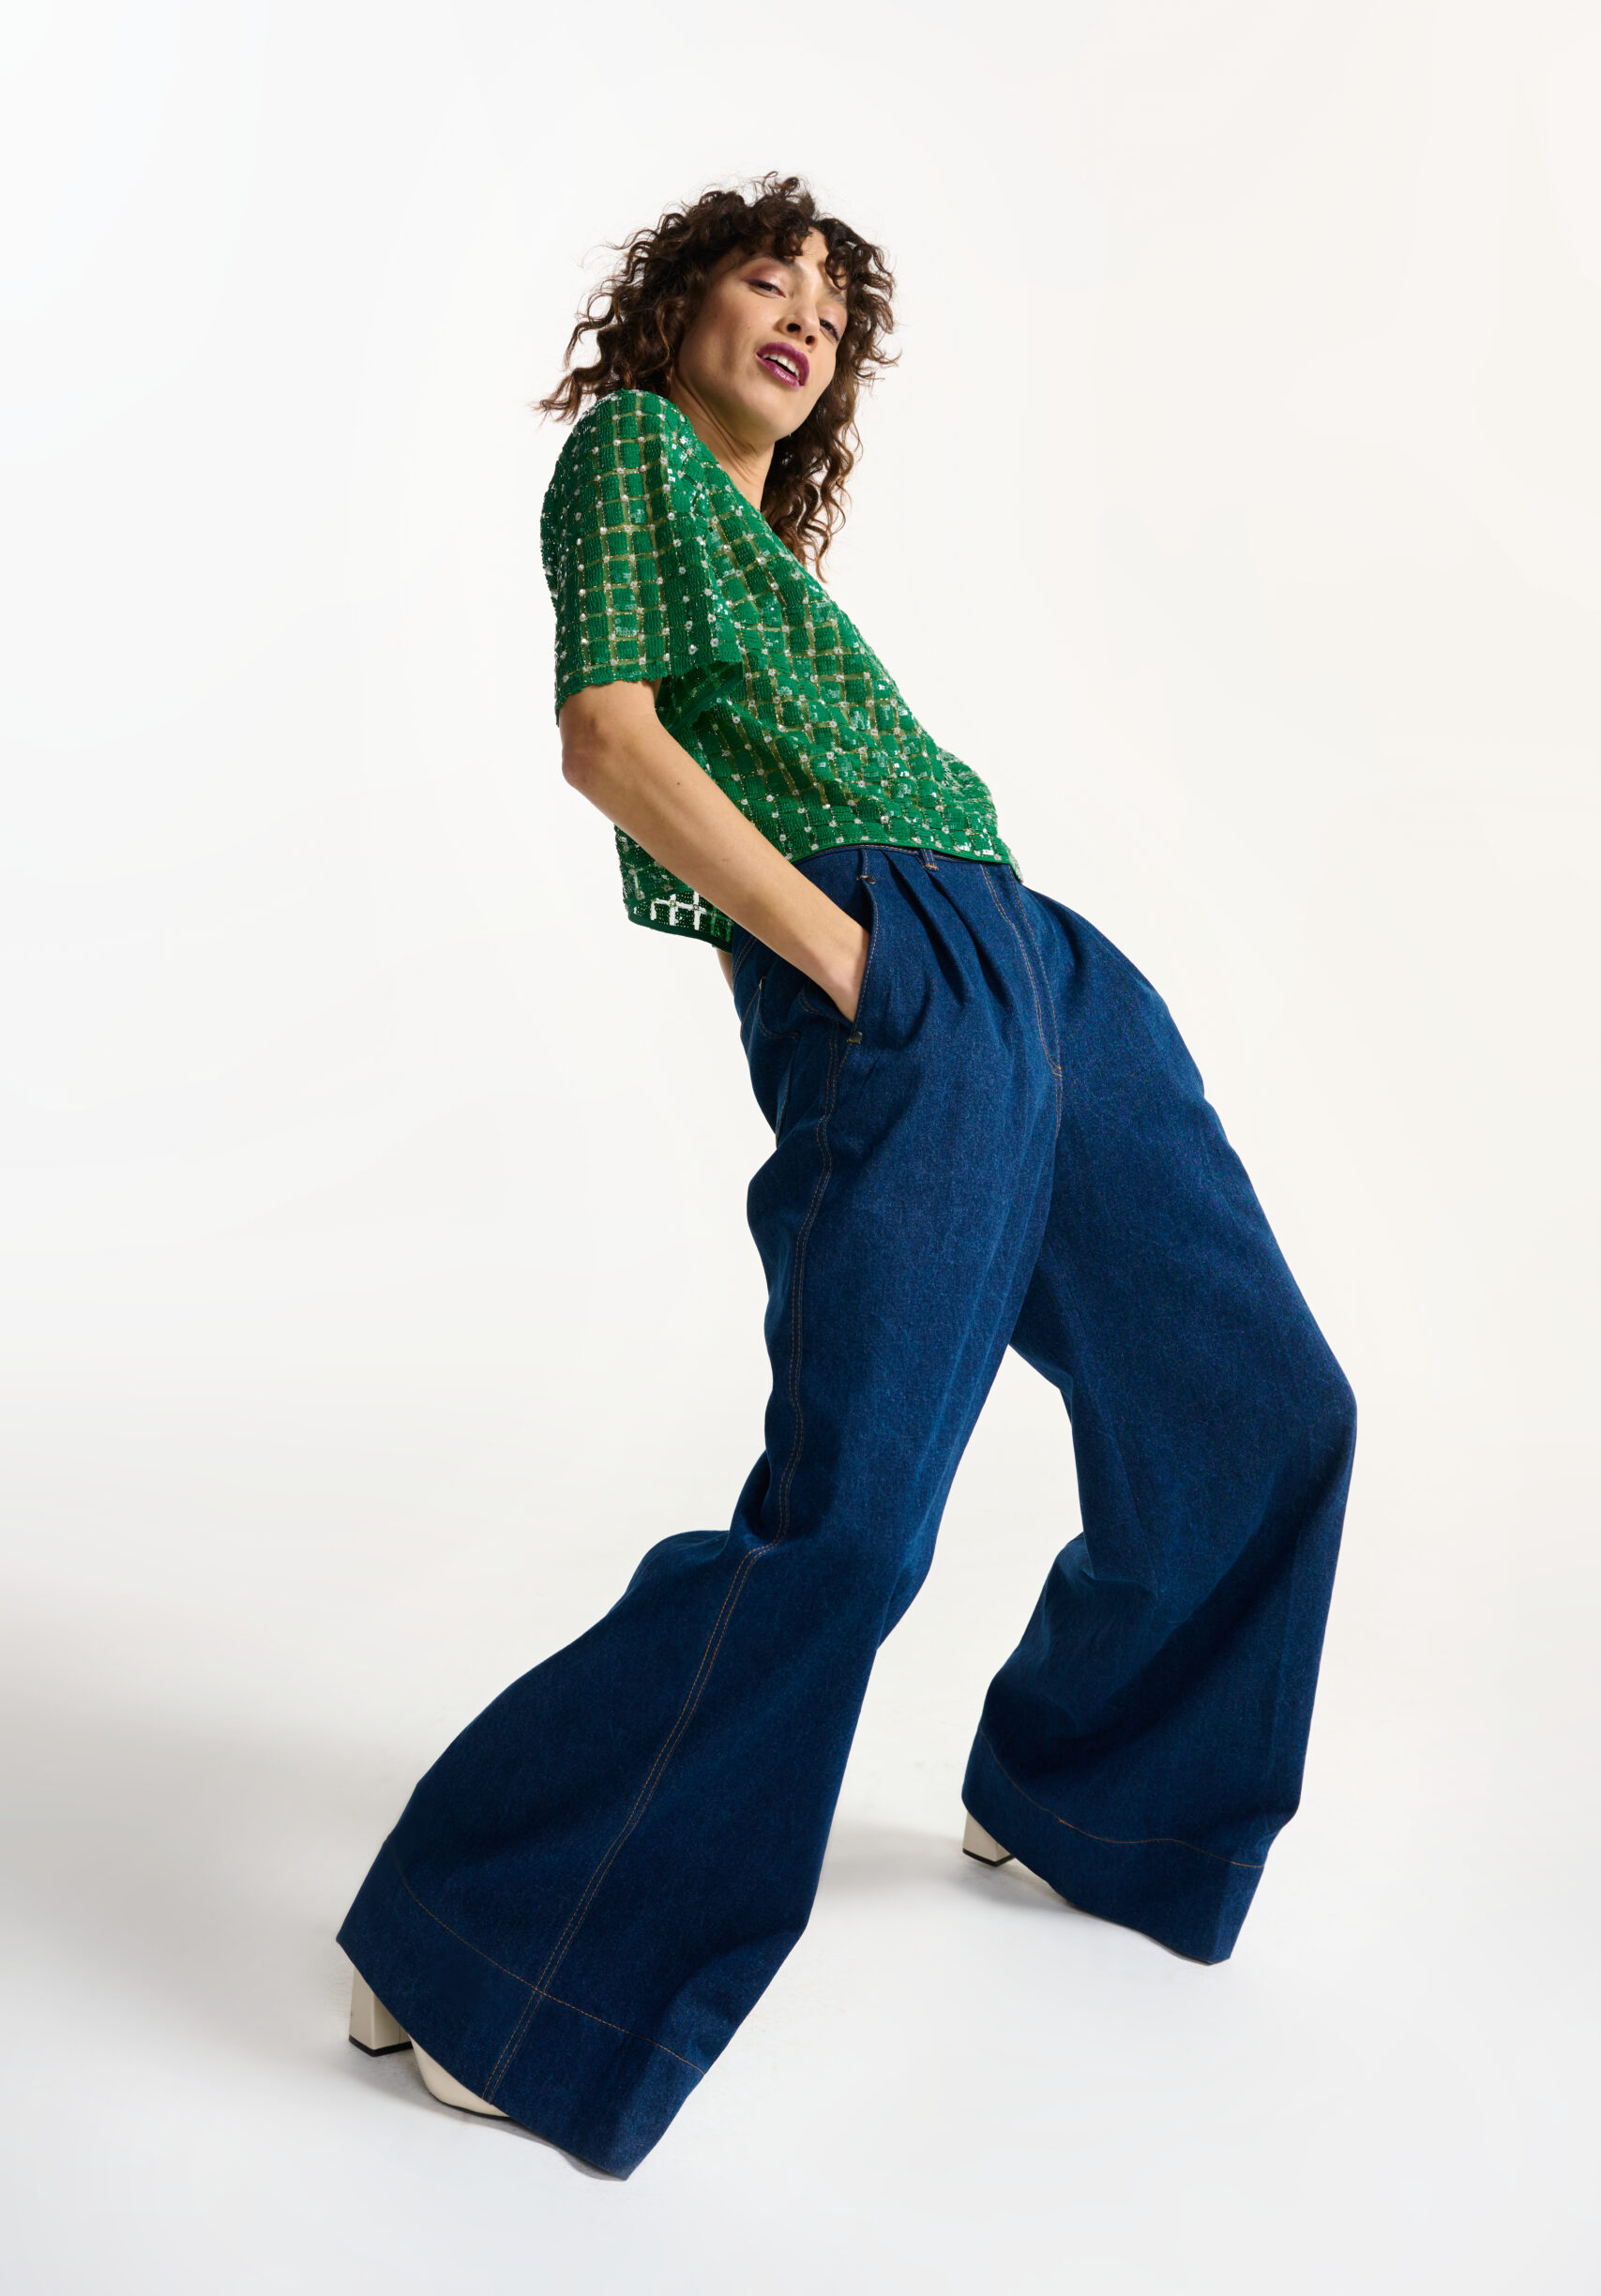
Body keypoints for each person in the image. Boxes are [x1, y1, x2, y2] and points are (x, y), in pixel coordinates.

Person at [337, 174, 1357, 2177]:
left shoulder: (773, 558)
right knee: (855, 1526)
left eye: (831, 299)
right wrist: (843, 957)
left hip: (1033, 962)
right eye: (764, 272)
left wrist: (962, 961)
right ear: (675, 313)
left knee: (1258, 1408)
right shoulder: (632, 455)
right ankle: (486, 1950)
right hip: (898, 967)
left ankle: (1091, 1794)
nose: (803, 309)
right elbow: (607, 739)